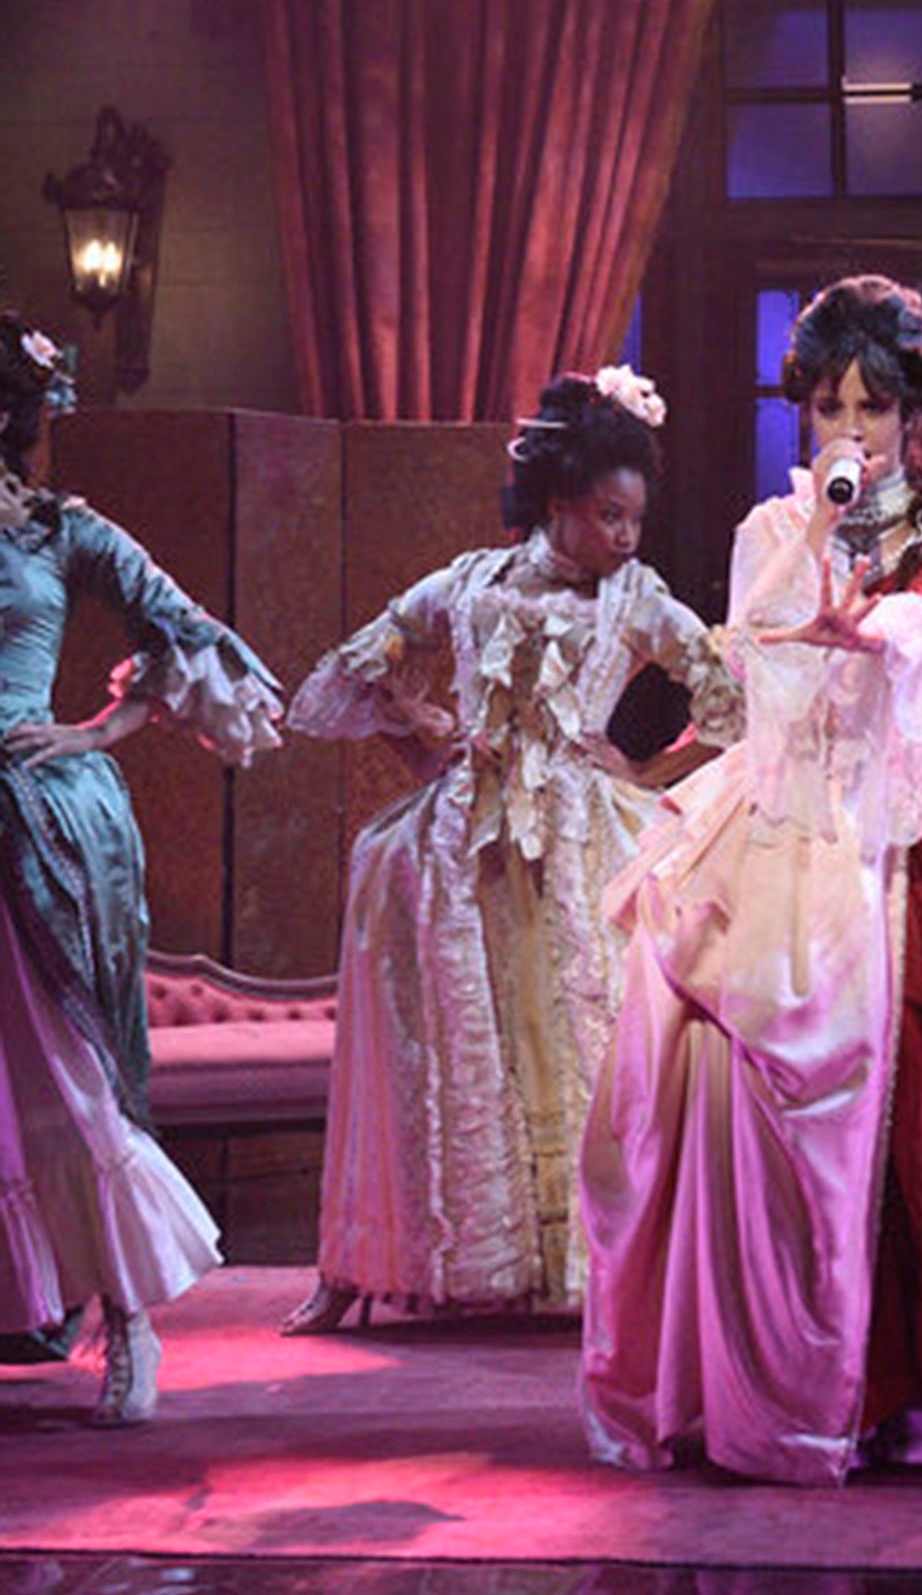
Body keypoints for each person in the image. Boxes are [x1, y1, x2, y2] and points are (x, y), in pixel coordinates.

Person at [579, 276, 922, 1484]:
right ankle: (805, 1378)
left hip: (911, 821)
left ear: (912, 414)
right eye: (828, 406)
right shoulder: (770, 527)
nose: (849, 429)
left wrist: (870, 623)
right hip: (791, 819)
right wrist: (815, 555)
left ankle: (920, 1376)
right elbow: (754, 661)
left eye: (871, 407)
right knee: (741, 1086)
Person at [282, 366, 734, 1334]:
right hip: (464, 844)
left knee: (586, 1036)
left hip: (580, 836)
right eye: (609, 516)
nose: (626, 537)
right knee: (458, 1046)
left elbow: (728, 693)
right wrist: (421, 742)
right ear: (559, 503)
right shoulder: (469, 583)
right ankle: (417, 1259)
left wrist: (643, 770)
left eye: (635, 519)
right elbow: (361, 667)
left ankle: (593, 1264)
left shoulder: (636, 598)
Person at [0, 310, 282, 1421]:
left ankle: (128, 1322)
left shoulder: (58, 531)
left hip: (33, 817)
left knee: (69, 1077)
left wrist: (92, 732)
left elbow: (189, 635)